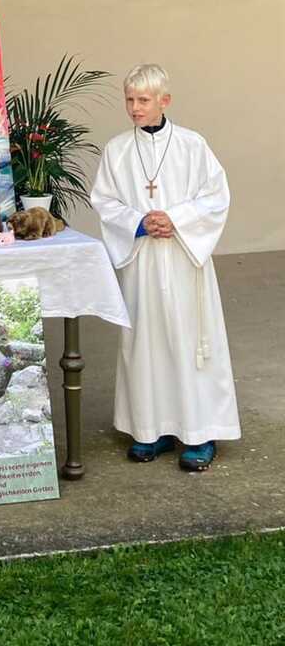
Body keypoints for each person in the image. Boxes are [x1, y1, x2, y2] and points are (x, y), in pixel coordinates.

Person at [90, 64, 240, 471]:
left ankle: (198, 433)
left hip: (182, 258)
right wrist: (139, 222)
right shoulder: (117, 149)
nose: (135, 108)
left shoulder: (192, 145)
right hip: (142, 260)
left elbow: (216, 197)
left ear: (164, 101)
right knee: (146, 342)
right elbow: (104, 201)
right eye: (129, 100)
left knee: (189, 341)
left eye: (143, 100)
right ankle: (149, 428)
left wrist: (175, 218)